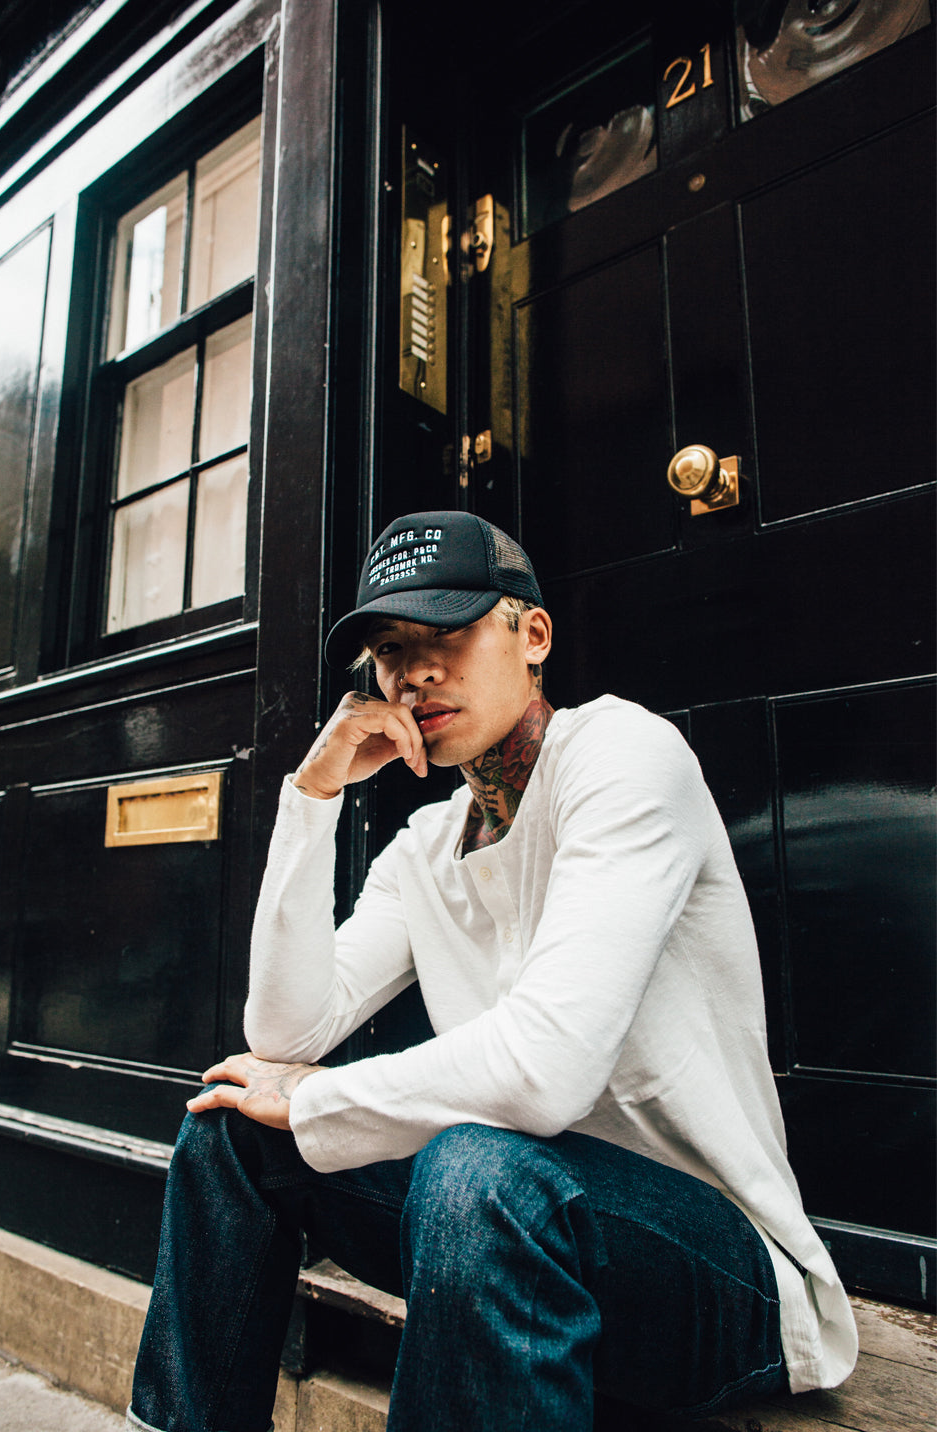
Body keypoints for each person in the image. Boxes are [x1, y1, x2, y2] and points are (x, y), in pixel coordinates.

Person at [128, 510, 858, 1432]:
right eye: (391, 650)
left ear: (534, 635)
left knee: (479, 1166)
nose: (416, 672)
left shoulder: (623, 756)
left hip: (717, 1274)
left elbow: (544, 1069)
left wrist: (316, 1097)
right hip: (494, 1228)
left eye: (447, 632)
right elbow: (282, 1032)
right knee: (233, 1127)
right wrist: (312, 795)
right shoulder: (426, 844)